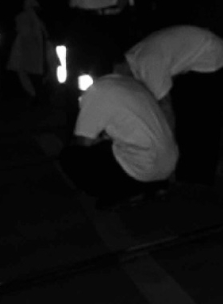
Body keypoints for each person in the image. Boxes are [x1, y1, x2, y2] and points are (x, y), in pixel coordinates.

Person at [120, 25, 223, 185]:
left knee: (200, 121)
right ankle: (188, 172)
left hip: (212, 59)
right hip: (194, 59)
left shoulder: (148, 64)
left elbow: (166, 108)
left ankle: (199, 178)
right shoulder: (134, 57)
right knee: (186, 118)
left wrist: (167, 144)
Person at [59, 74, 178, 210]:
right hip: (168, 164)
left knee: (70, 156)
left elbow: (83, 143)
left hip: (143, 166)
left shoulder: (96, 94)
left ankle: (123, 192)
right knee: (107, 147)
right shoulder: (126, 83)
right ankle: (154, 186)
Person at [7, 0, 52, 101]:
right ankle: (32, 94)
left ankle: (38, 94)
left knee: (41, 69)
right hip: (29, 45)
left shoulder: (38, 10)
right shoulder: (25, 16)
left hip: (37, 45)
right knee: (26, 71)